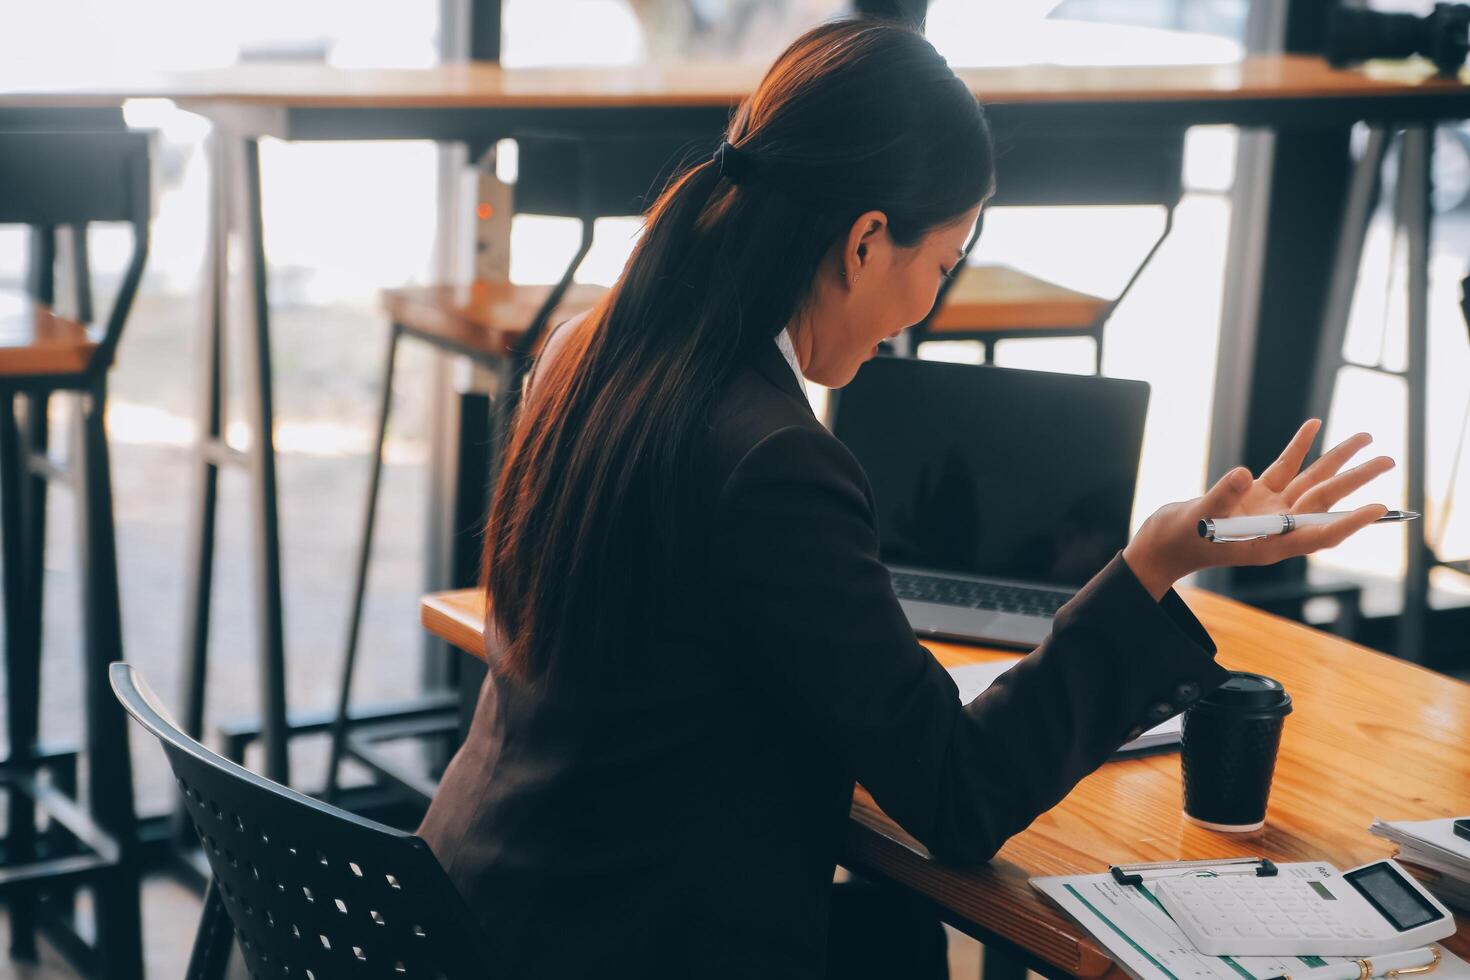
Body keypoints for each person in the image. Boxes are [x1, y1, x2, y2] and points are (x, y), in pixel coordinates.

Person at [418, 17, 1393, 979]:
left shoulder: (587, 351)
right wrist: (1157, 558)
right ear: (867, 240)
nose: (928, 304)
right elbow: (957, 794)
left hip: (476, 911)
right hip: (625, 943)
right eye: (942, 263)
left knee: (895, 941)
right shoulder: (773, 461)